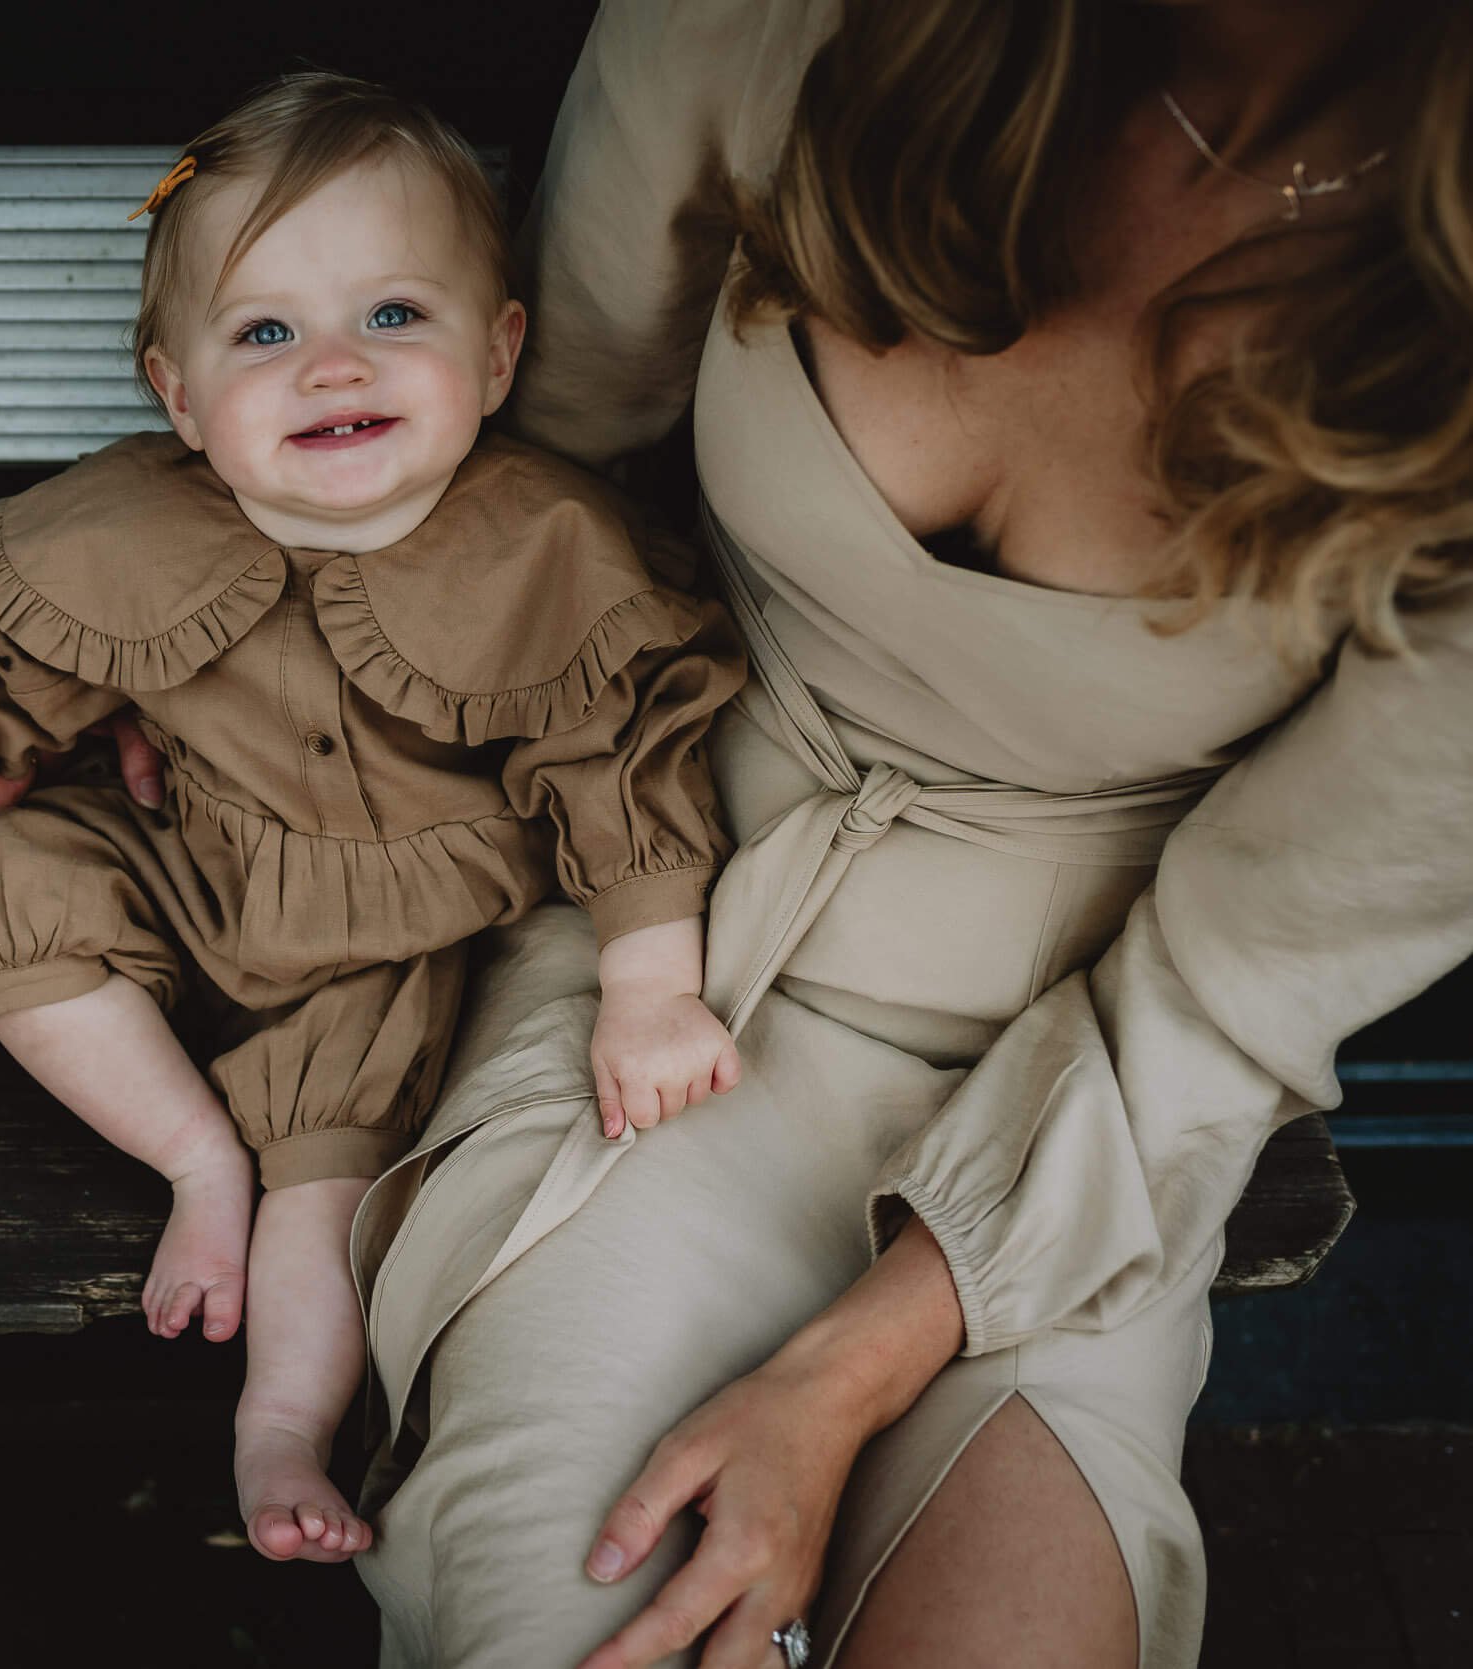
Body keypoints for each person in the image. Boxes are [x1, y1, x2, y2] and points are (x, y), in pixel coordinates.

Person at [334, 1, 1473, 1666]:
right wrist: (190, 704)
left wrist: (842, 1377)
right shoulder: (777, 27)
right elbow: (518, 489)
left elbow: (1229, 1002)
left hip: (1080, 1118)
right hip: (655, 978)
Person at [0, 73, 747, 1564]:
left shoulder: (546, 548)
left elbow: (616, 760)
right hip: (178, 867)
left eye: (391, 317)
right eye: (264, 333)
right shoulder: (128, 522)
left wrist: (651, 986)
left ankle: (281, 1428)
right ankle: (192, 1157)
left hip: (375, 947)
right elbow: (1, 662)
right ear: (178, 395)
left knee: (333, 1167)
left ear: (497, 353)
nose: (329, 367)